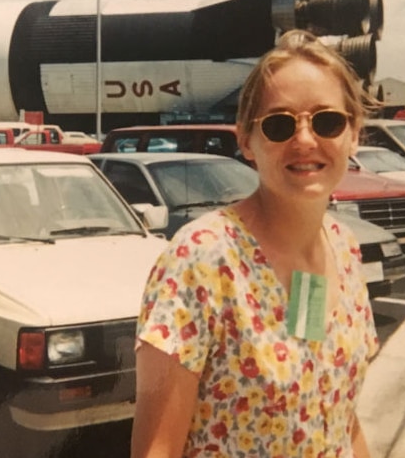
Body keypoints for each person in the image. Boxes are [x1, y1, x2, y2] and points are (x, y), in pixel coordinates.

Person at [131, 29, 380, 458]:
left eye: (327, 121)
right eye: (280, 124)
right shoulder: (203, 259)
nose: (305, 140)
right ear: (246, 140)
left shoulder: (341, 246)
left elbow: (331, 411)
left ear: (353, 134)